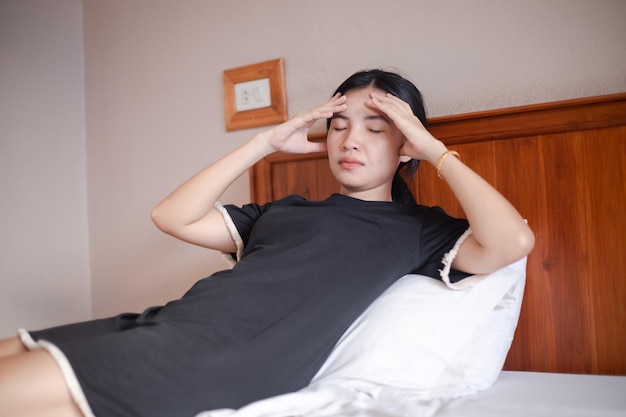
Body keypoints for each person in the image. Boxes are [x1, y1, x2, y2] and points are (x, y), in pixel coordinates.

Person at [0, 69, 534, 417]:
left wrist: (433, 148)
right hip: (162, 325)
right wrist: (263, 142)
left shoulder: (416, 229)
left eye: (377, 128)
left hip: (213, 361)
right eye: (340, 124)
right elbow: (171, 216)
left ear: (405, 146)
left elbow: (513, 240)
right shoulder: (283, 212)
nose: (350, 139)